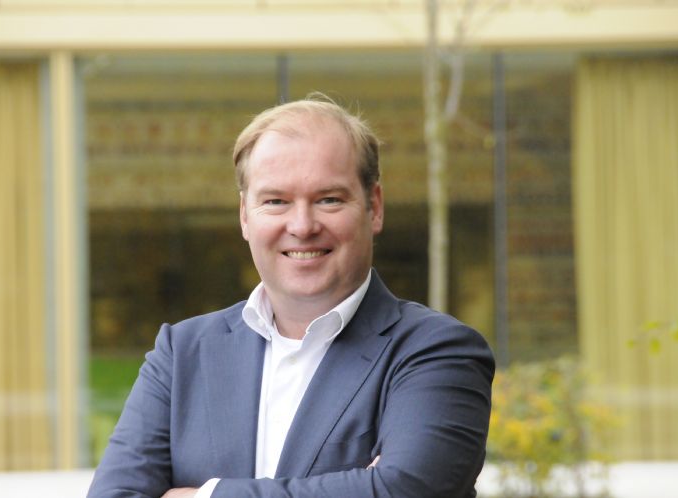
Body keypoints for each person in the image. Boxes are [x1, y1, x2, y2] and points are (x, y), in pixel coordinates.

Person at [87, 95, 494, 498]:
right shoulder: (181, 354)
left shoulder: (437, 352)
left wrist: (203, 496)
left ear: (374, 207)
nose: (301, 226)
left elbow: (406, 491)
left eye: (328, 199)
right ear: (245, 215)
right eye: (276, 201)